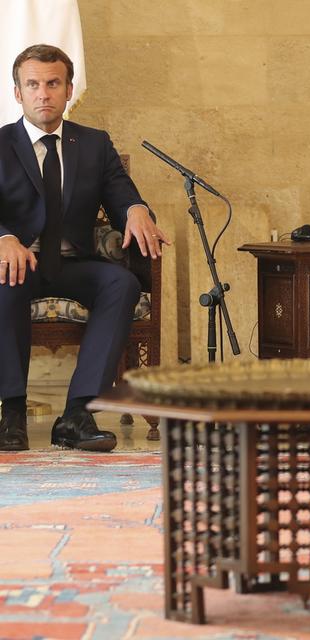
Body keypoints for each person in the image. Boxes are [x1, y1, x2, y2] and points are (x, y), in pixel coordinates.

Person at [0, 44, 170, 452]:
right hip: (18, 263)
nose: (44, 93)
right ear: (18, 93)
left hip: (74, 261)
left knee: (121, 283)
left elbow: (120, 192)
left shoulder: (94, 143)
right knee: (3, 284)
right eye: (34, 84)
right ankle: (12, 414)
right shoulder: (0, 144)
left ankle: (77, 414)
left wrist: (135, 210)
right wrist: (3, 237)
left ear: (69, 89)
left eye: (53, 83)